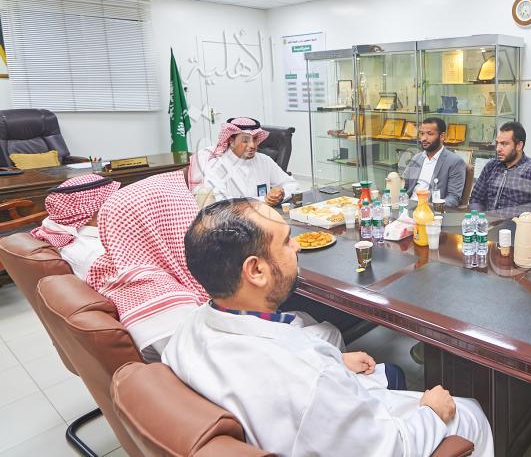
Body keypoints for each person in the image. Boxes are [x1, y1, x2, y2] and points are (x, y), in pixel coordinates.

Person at [164, 199, 494, 457]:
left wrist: (335, 361)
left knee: (385, 372)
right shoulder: (310, 378)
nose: (297, 247)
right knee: (471, 413)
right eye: (286, 241)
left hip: (308, 424)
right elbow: (389, 448)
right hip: (363, 437)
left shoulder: (187, 329)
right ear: (256, 271)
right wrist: (432, 413)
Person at [86, 169, 341, 361]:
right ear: (154, 225)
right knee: (329, 331)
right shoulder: (157, 299)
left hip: (244, 342)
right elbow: (234, 362)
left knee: (305, 317)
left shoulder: (127, 271)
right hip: (257, 357)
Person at [30, 174, 120, 280]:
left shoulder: (52, 224)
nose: (119, 204)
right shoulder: (99, 253)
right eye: (113, 201)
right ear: (90, 213)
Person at [193, 117, 298, 207]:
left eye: (255, 139)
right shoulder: (216, 166)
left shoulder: (264, 160)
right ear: (232, 142)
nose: (252, 145)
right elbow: (221, 203)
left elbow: (291, 184)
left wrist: (280, 195)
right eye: (245, 141)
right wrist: (264, 200)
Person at [469, 121, 531, 222]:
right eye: (497, 143)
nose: (498, 149)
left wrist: (517, 221)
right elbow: (476, 199)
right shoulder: (491, 166)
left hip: (517, 228)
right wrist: (480, 219)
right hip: (487, 226)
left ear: (519, 145)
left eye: (504, 144)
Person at [401, 117, 467, 207]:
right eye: (422, 134)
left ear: (442, 136)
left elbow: (453, 198)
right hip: (409, 206)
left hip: (431, 209)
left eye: (429, 134)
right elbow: (405, 186)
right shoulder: (416, 158)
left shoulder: (455, 162)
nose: (423, 138)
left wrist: (433, 206)